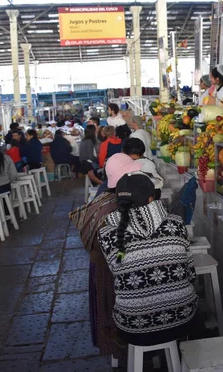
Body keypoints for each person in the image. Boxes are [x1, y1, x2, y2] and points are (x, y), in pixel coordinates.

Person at [98, 173, 198, 346]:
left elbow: (119, 273)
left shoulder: (107, 234)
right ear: (151, 198)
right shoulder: (176, 223)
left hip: (133, 327)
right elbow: (190, 273)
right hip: (183, 319)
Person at [67, 155, 144, 362]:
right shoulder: (117, 206)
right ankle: (129, 353)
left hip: (102, 265)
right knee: (118, 313)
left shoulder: (105, 197)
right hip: (111, 269)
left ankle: (123, 354)